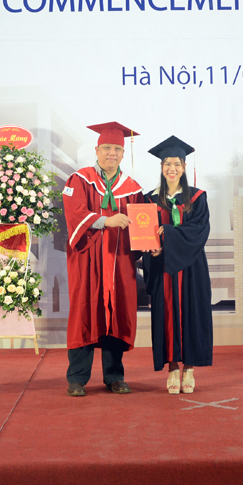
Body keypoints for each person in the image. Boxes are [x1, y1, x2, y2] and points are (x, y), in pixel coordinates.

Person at [62, 122, 144, 397]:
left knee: (116, 313)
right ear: (96, 150)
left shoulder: (132, 188)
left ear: (123, 154)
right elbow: (74, 213)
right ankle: (77, 378)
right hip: (88, 260)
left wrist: (150, 242)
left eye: (117, 149)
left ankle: (114, 376)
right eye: (107, 148)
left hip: (119, 261)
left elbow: (141, 225)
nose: (112, 153)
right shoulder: (80, 179)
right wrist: (106, 220)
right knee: (85, 311)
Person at [141, 136, 213, 394]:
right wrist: (153, 247)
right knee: (166, 313)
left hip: (191, 267)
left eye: (177, 164)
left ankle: (189, 368)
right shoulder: (149, 199)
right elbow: (145, 232)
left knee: (192, 312)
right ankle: (172, 368)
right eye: (167, 164)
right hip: (163, 267)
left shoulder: (198, 197)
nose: (172, 168)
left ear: (184, 167)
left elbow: (199, 230)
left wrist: (169, 235)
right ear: (161, 167)